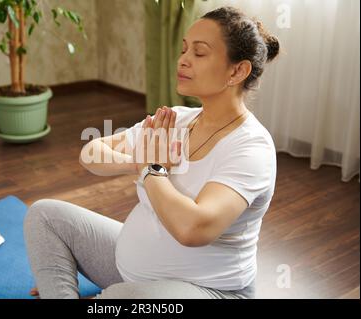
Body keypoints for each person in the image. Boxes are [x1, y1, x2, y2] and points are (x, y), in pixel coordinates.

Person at [24, 6, 279, 299]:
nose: (183, 60)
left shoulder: (251, 148)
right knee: (44, 214)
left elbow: (193, 229)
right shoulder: (177, 119)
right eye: (183, 50)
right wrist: (139, 162)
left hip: (208, 290)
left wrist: (153, 168)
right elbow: (91, 153)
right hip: (128, 268)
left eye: (199, 53)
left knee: (120, 298)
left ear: (237, 70)